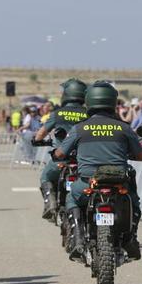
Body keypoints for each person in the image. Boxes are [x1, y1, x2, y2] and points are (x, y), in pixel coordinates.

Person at [54, 81, 142, 261]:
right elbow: (140, 155)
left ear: (89, 101)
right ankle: (131, 238)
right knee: (133, 201)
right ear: (112, 101)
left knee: (72, 198)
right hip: (118, 184)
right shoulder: (124, 127)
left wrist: (56, 153)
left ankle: (79, 239)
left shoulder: (79, 128)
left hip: (87, 184)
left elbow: (60, 153)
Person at [33, 78, 88, 219]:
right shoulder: (88, 113)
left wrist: (37, 141)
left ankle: (50, 202)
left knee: (45, 177)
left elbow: (40, 134)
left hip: (61, 158)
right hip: (83, 160)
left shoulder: (57, 113)